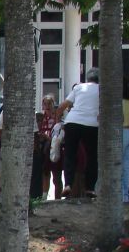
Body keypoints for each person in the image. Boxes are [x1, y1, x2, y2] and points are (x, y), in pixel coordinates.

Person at [57, 68, 100, 197]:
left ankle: (68, 184)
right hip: (92, 124)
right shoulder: (102, 89)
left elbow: (63, 106)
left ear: (87, 78)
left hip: (72, 121)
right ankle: (90, 188)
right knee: (92, 156)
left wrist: (58, 120)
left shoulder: (79, 87)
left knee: (70, 154)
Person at [39, 94, 63, 199]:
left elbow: (58, 135)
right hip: (43, 146)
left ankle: (58, 197)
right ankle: (44, 196)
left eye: (49, 103)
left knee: (56, 174)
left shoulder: (57, 117)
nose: (47, 106)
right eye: (45, 103)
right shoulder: (41, 117)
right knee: (45, 173)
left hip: (54, 146)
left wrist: (47, 137)